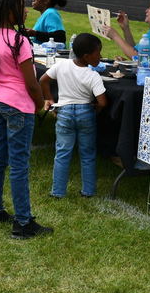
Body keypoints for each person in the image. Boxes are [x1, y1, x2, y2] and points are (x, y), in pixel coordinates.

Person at [0, 0, 51, 239]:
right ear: (11, 11)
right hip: (18, 104)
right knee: (19, 164)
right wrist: (41, 102)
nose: (26, 10)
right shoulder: (19, 41)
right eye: (21, 6)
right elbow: (31, 83)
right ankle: (23, 222)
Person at [40, 33, 107, 198]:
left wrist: (49, 99)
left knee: (62, 153)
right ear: (86, 56)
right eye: (98, 53)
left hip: (64, 113)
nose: (101, 56)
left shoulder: (62, 65)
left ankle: (57, 192)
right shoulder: (93, 76)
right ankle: (88, 190)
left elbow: (43, 80)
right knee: (87, 153)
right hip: (86, 113)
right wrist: (95, 110)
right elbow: (103, 102)